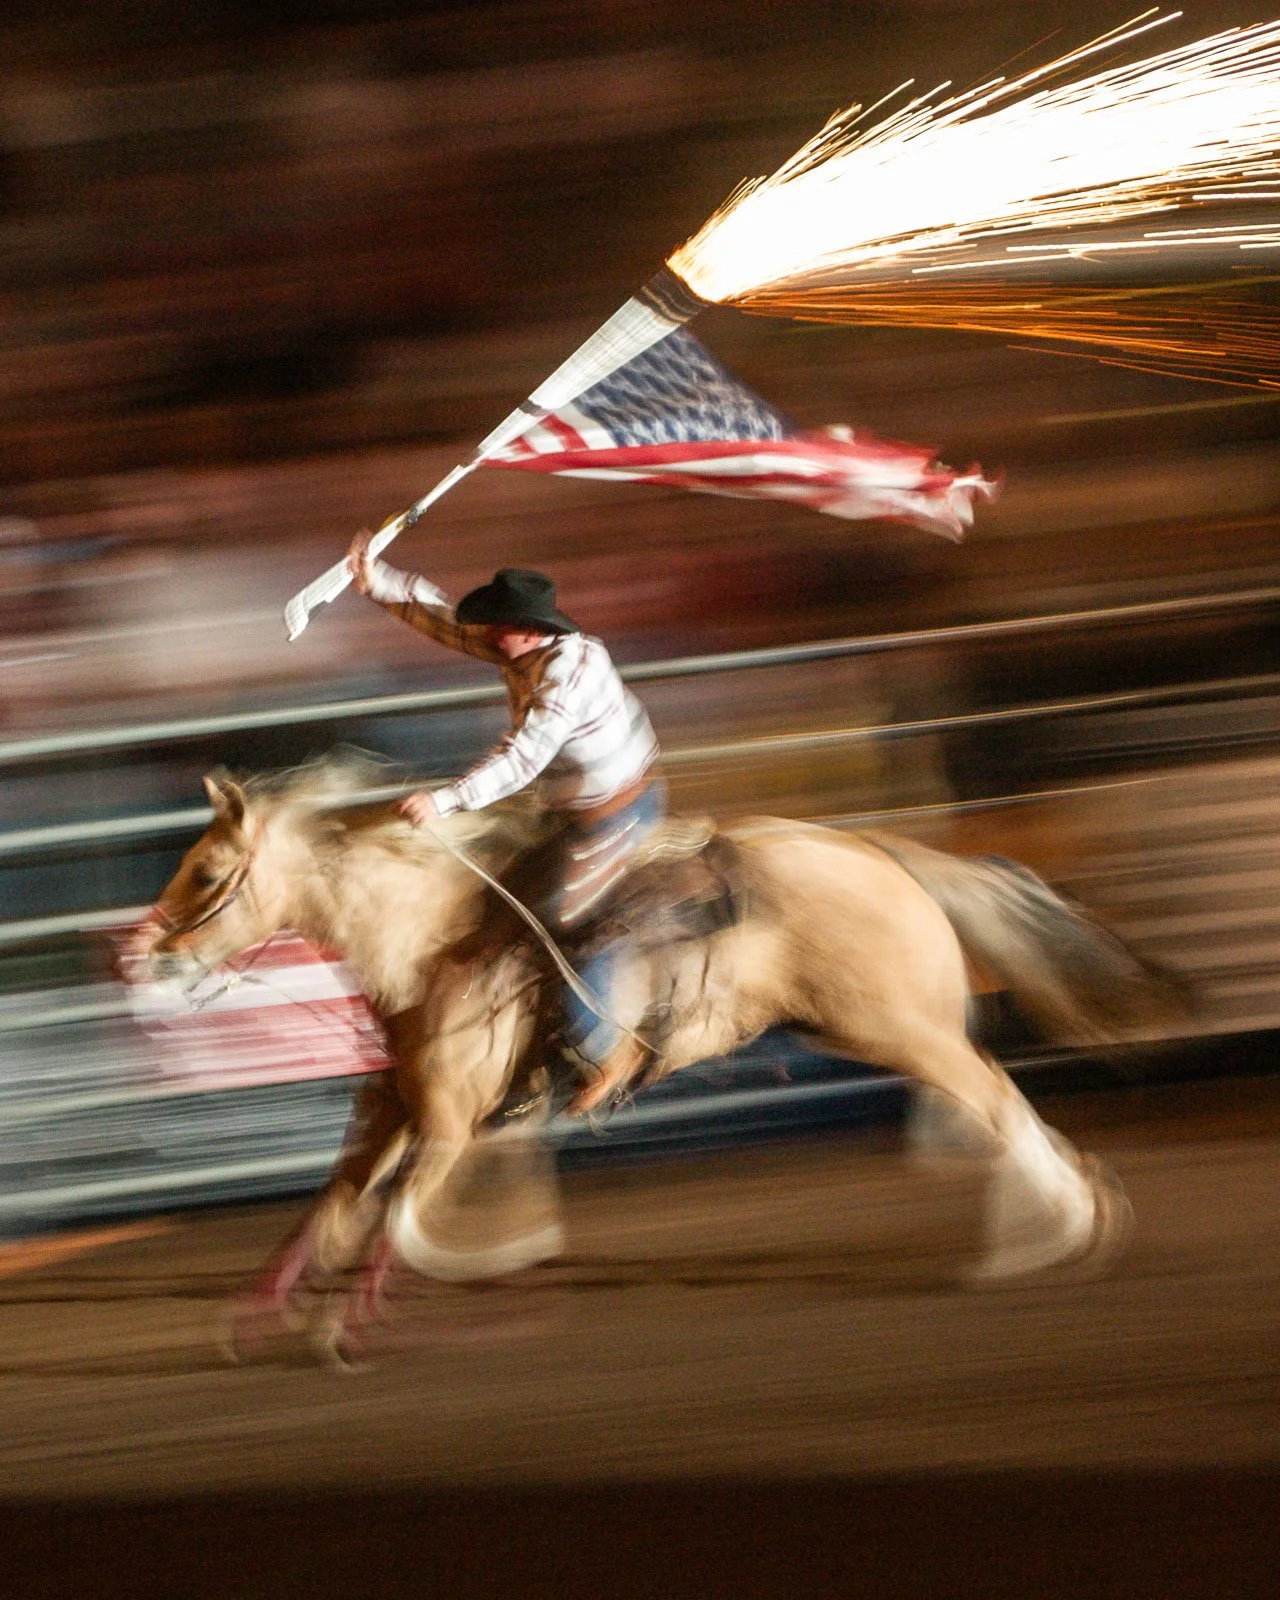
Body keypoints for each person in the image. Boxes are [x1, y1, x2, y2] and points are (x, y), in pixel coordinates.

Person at [347, 530, 664, 1112]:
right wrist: (378, 580)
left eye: (501, 623)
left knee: (566, 919)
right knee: (504, 908)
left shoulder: (567, 677)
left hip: (617, 812)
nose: (491, 632)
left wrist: (443, 802)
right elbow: (446, 619)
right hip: (574, 809)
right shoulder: (527, 648)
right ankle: (525, 1052)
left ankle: (605, 1051)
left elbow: (522, 759)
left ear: (530, 629)